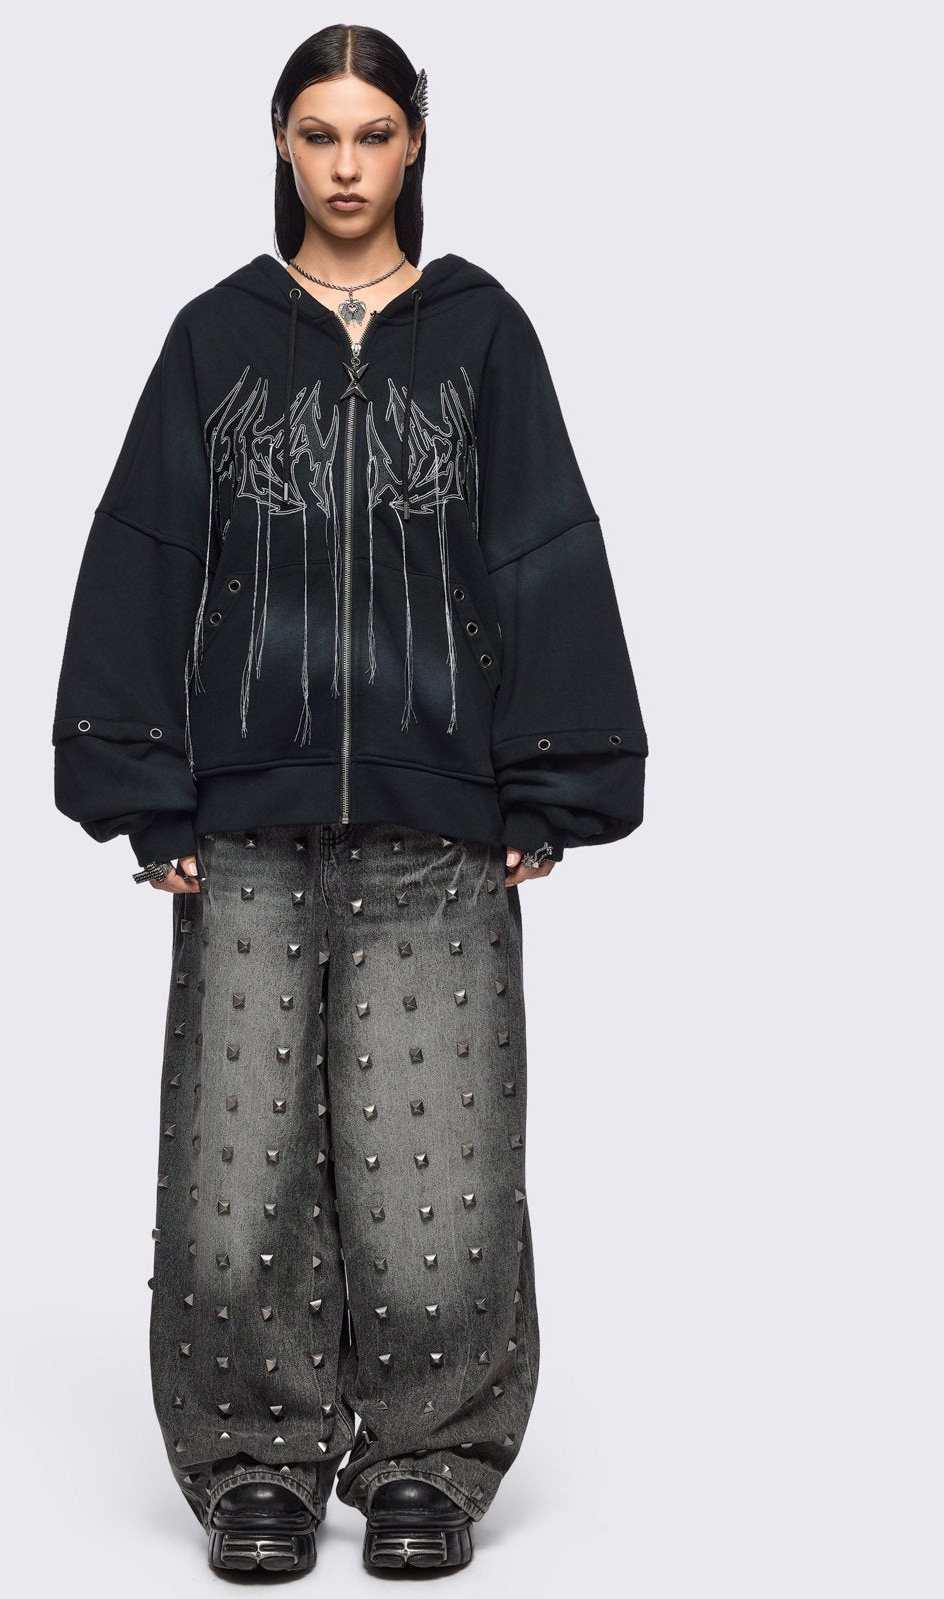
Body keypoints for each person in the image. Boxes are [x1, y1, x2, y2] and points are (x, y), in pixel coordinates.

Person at [52, 22, 647, 1576]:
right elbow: (145, 551)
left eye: (372, 135)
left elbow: (542, 542)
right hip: (241, 821)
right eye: (316, 134)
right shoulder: (217, 339)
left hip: (441, 816)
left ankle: (427, 1463)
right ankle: (253, 1462)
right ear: (280, 145)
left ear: (415, 147)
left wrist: (552, 781)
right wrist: (146, 793)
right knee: (235, 1149)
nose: (343, 165)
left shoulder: (482, 336)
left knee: (438, 1153)